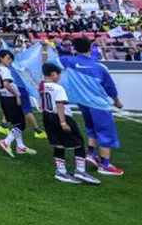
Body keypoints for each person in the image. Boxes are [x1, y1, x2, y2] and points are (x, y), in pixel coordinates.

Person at [49, 38, 124, 176]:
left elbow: (50, 62)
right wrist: (117, 102)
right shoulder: (99, 68)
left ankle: (91, 152)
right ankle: (105, 165)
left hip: (82, 103)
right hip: (99, 104)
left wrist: (44, 47)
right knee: (106, 133)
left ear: (75, 49)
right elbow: (110, 88)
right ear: (90, 49)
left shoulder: (68, 61)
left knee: (91, 128)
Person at [39, 63, 100, 185]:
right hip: (61, 117)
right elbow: (60, 105)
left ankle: (60, 171)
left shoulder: (41, 86)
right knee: (79, 143)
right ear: (53, 74)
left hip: (47, 117)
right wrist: (63, 122)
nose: (60, 77)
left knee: (59, 144)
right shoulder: (58, 88)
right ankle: (80, 170)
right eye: (59, 74)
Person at [0, 49, 36, 158]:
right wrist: (17, 96)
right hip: (10, 98)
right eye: (7, 58)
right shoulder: (5, 70)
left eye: (10, 59)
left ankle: (20, 146)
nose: (9, 61)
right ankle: (6, 142)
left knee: (15, 123)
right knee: (21, 124)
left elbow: (0, 86)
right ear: (1, 58)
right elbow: (6, 84)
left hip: (5, 98)